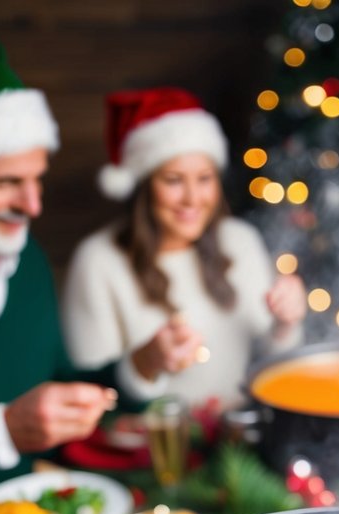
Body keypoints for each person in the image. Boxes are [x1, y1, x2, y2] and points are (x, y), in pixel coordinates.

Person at [0, 33, 195, 513]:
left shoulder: (28, 263)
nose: (33, 205)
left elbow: (59, 386)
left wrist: (140, 366)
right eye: (6, 183)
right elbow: (14, 424)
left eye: (37, 179)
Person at [61, 87, 306, 411]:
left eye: (204, 178)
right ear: (144, 186)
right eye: (174, 180)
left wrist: (286, 323)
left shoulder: (240, 241)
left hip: (238, 438)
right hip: (153, 448)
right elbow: (87, 387)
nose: (193, 198)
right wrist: (145, 363)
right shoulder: (98, 261)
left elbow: (270, 362)